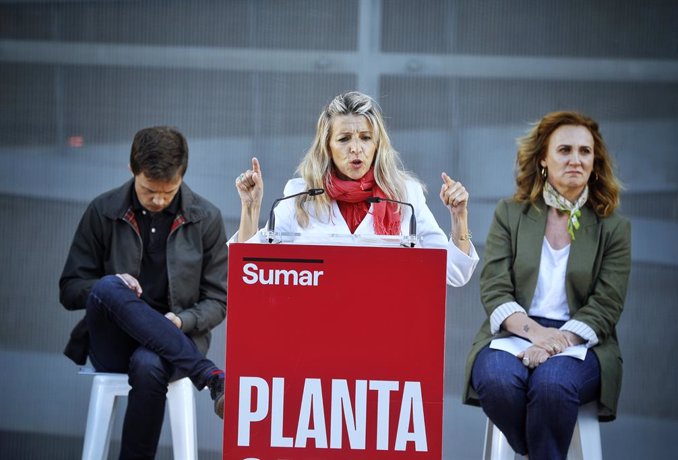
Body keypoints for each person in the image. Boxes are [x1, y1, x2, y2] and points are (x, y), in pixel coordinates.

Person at [463, 111, 631, 460]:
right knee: (497, 381)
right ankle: (539, 449)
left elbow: (607, 305)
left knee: (553, 385)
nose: (576, 159)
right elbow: (494, 287)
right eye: (565, 150)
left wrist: (556, 343)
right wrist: (536, 334)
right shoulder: (510, 213)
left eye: (585, 152)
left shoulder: (613, 227)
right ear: (543, 158)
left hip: (581, 341)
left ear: (595, 162)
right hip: (515, 331)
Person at [59, 126, 228, 460]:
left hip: (175, 349)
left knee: (149, 363)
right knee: (109, 285)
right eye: (149, 190)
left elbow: (219, 301)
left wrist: (181, 320)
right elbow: (70, 289)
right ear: (131, 170)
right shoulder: (103, 211)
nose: (159, 200)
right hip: (113, 342)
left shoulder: (206, 218)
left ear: (183, 175)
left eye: (169, 191)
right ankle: (209, 375)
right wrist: (113, 284)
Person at [232, 90, 479, 286]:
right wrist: (250, 207)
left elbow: (454, 273)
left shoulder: (406, 195)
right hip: (315, 327)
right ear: (327, 146)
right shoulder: (301, 195)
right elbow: (250, 270)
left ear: (377, 144)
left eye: (365, 137)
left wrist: (460, 218)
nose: (356, 148)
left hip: (386, 328)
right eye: (344, 139)